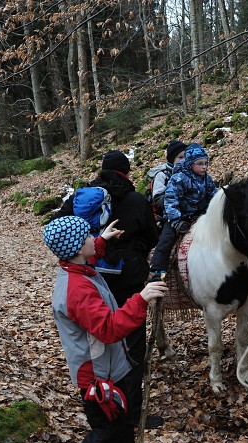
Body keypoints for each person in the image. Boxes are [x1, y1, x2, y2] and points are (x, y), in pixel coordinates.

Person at [42, 215, 168, 443]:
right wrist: (141, 298)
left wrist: (101, 242)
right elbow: (109, 329)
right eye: (87, 236)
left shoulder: (77, 270)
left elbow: (88, 256)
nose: (92, 238)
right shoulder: (77, 290)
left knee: (121, 428)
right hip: (96, 376)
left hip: (110, 366)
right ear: (75, 248)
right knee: (107, 431)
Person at [52, 149, 163, 428]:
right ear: (126, 172)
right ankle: (132, 413)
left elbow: (60, 226)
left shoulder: (83, 197)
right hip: (128, 282)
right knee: (131, 347)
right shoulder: (136, 200)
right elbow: (153, 236)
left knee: (97, 347)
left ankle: (105, 402)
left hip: (91, 276)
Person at [149, 143, 217, 280]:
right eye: (200, 163)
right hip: (178, 216)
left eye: (206, 163)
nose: (204, 166)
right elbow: (170, 199)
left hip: (198, 215)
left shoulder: (206, 179)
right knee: (167, 239)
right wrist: (176, 220)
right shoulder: (179, 178)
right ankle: (158, 270)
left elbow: (213, 194)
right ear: (191, 164)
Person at [147, 140, 187, 222]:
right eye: (180, 157)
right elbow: (158, 199)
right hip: (167, 216)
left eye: (186, 156)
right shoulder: (162, 175)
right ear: (172, 159)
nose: (184, 160)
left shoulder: (190, 173)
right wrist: (180, 201)